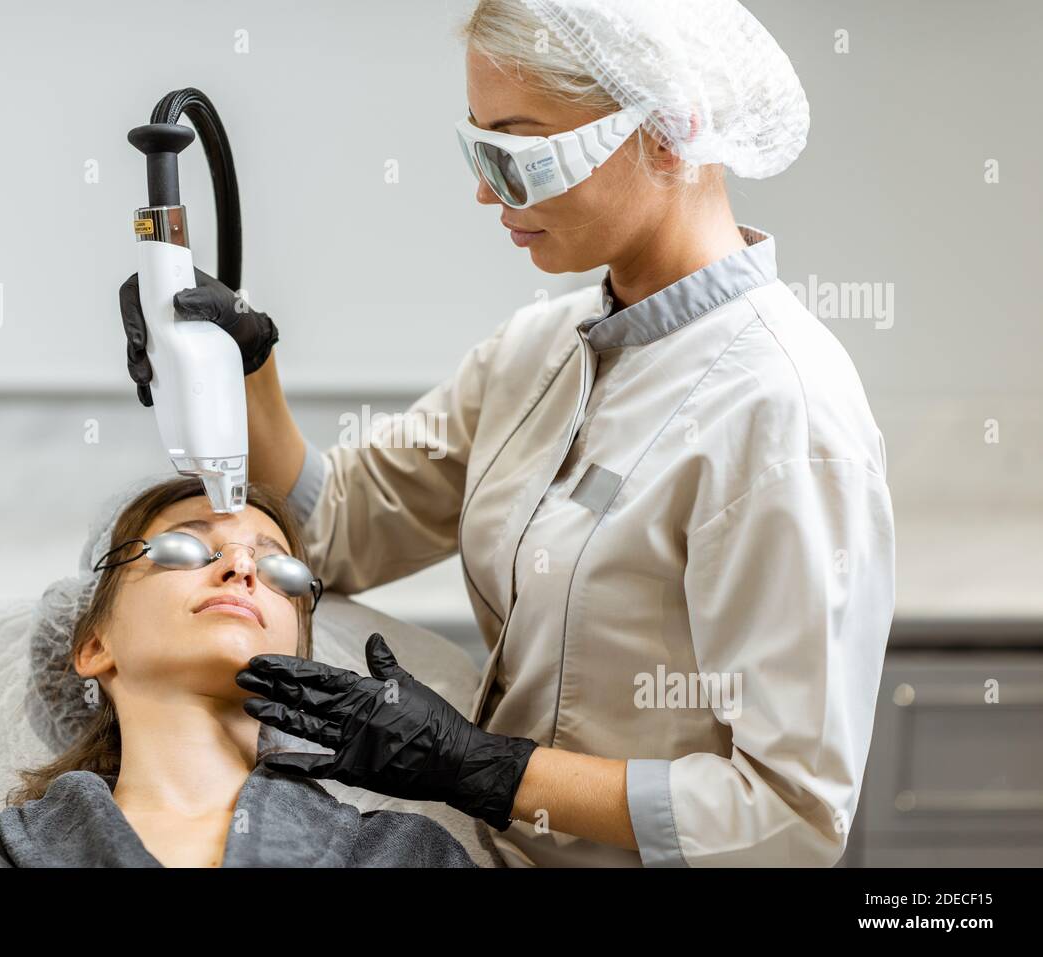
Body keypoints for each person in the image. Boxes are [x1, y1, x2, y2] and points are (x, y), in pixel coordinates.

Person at [119, 0, 895, 867]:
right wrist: (247, 361)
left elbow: (788, 819)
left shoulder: (783, 411)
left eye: (520, 153)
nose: (486, 190)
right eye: (476, 146)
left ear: (670, 133)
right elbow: (334, 531)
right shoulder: (537, 353)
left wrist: (485, 768)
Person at [0, 477, 484, 867]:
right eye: (182, 547)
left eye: (281, 569)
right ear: (94, 644)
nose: (242, 567)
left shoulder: (403, 855)